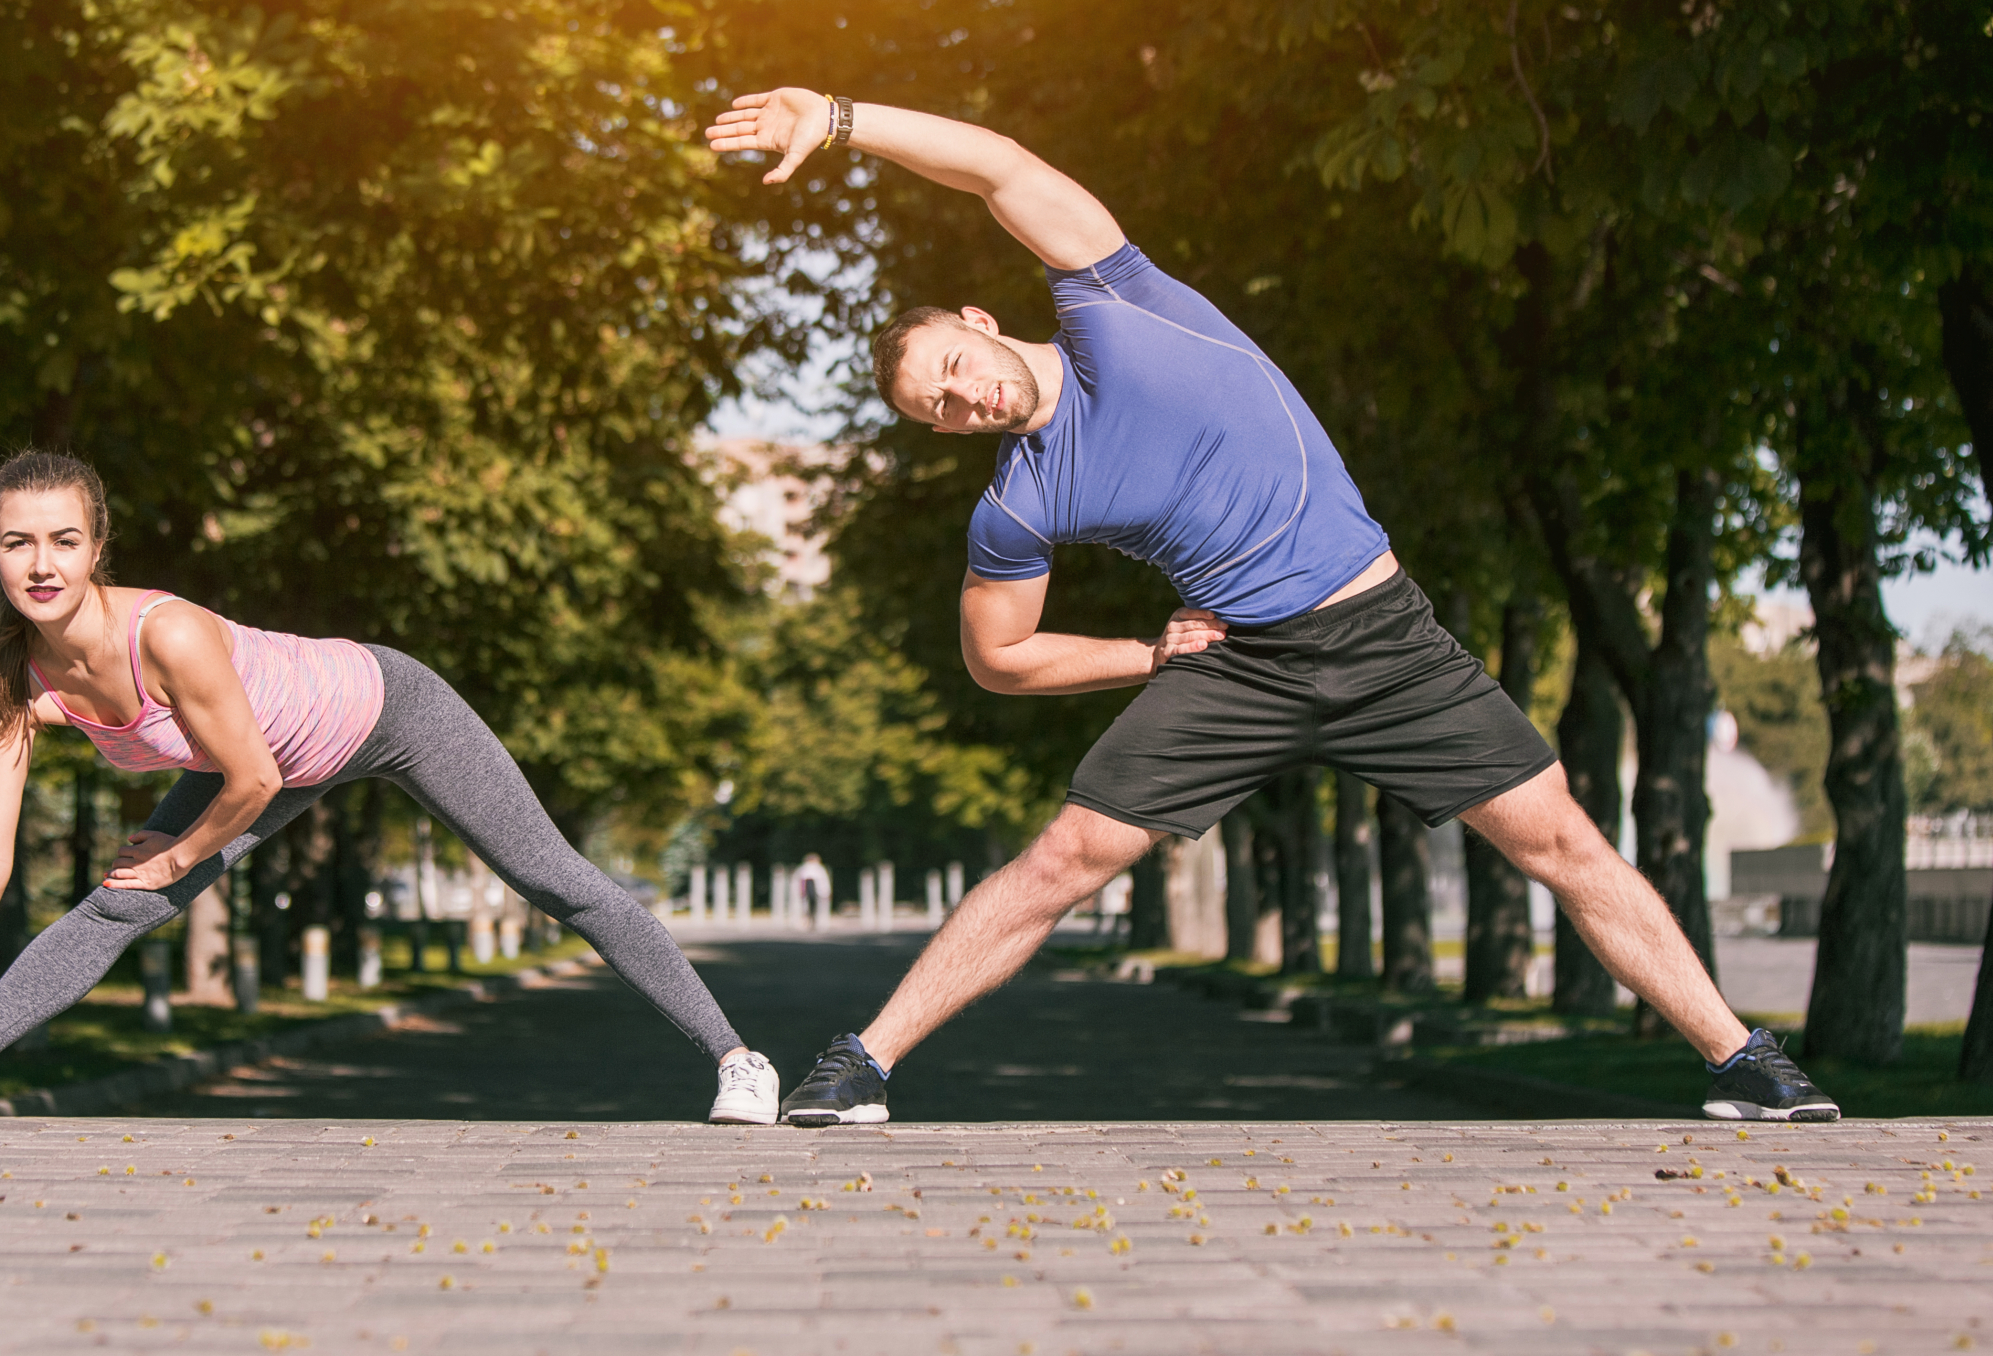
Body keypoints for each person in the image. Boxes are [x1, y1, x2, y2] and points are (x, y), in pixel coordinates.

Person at [705, 88, 1838, 1127]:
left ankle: (1743, 1061)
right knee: (1062, 860)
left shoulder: (1115, 300)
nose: (962, 396)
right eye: (938, 410)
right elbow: (999, 658)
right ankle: (862, 1066)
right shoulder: (1020, 502)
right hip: (1237, 669)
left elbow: (999, 166)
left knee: (1564, 844)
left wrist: (840, 116)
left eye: (952, 365)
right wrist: (1144, 656)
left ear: (976, 318)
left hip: (1384, 637)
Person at [0, 450, 779, 1125]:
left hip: (386, 709)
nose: (41, 565)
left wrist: (175, 853)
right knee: (117, 904)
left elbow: (252, 778)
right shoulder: (11, 676)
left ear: (97, 548)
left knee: (553, 879)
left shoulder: (165, 635)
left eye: (63, 540)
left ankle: (740, 1060)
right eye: (17, 543)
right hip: (263, 760)